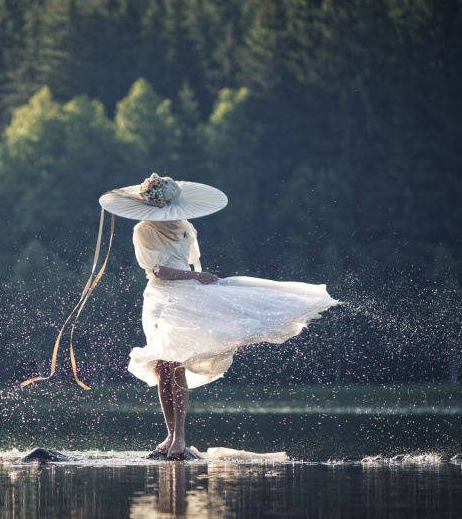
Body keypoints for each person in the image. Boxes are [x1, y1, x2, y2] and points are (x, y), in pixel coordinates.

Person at [99, 174, 338, 459]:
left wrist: (196, 279)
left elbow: (186, 259)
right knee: (162, 365)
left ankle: (180, 436)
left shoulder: (184, 225)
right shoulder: (143, 230)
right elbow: (158, 271)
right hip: (160, 298)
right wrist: (196, 275)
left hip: (186, 296)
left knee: (177, 364)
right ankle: (169, 432)